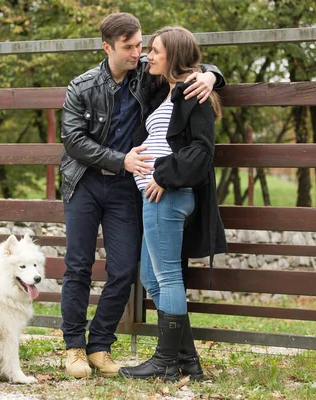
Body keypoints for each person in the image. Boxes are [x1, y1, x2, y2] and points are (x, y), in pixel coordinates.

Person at [59, 13, 225, 379]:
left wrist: (211, 75)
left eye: (142, 46)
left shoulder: (144, 77)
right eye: (131, 48)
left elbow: (183, 63)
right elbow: (72, 140)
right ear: (108, 48)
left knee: (124, 270)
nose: (141, 54)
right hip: (85, 181)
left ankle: (100, 346)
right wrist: (122, 160)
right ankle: (74, 347)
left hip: (130, 189)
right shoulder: (81, 85)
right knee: (79, 265)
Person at [118, 26, 228, 382]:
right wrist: (212, 73)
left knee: (167, 276)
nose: (148, 55)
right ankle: (188, 360)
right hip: (154, 194)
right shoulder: (162, 91)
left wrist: (162, 175)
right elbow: (120, 61)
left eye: (156, 50)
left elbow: (201, 152)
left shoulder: (194, 93)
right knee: (152, 276)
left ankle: (164, 361)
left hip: (167, 193)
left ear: (175, 57)